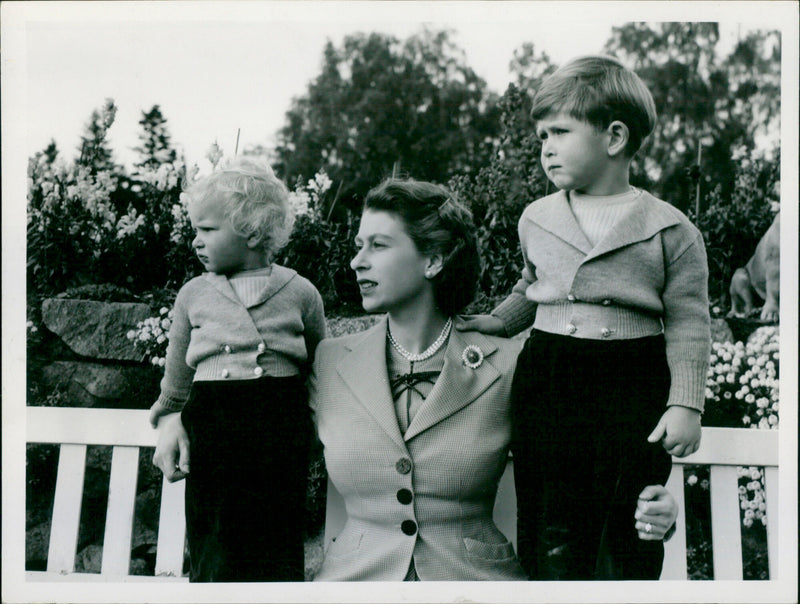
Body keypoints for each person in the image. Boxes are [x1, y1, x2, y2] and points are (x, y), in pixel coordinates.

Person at [154, 176, 679, 582]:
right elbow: (252, 429)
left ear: (433, 259)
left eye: (379, 246)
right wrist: (179, 416)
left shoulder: (509, 362)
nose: (357, 261)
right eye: (358, 245)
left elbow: (588, 461)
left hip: (473, 583)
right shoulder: (331, 362)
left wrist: (654, 504)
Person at [458, 55, 711, 579]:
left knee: (631, 518)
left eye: (559, 132)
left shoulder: (671, 229)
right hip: (550, 374)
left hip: (632, 379)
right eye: (540, 135)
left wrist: (686, 402)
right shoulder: (538, 217)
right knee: (551, 519)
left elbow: (689, 319)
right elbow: (534, 286)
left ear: (614, 137)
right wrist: (502, 321)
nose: (545, 146)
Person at [149, 157, 326, 581]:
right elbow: (177, 376)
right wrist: (171, 418)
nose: (196, 240)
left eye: (207, 230)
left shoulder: (300, 291)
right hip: (213, 427)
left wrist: (326, 424)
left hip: (279, 427)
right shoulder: (193, 295)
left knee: (277, 535)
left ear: (250, 231)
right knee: (217, 535)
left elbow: (325, 365)